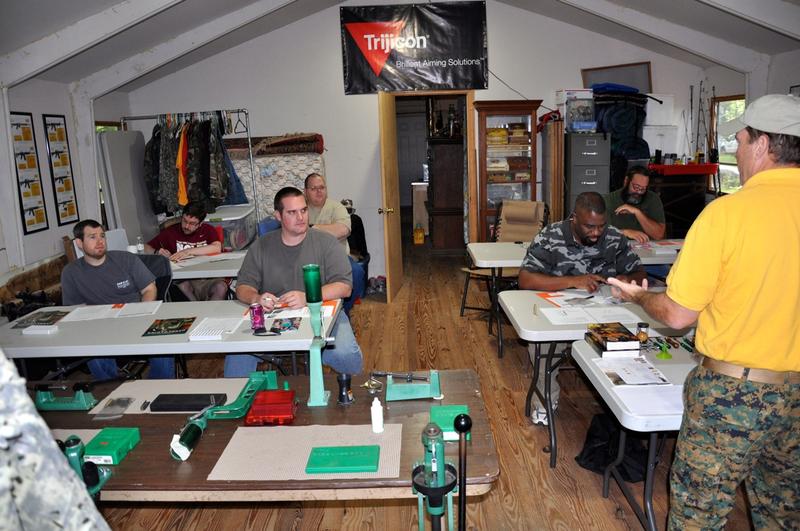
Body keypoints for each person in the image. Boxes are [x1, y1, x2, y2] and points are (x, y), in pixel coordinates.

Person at [608, 94, 800, 529]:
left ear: (763, 144)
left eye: (740, 140)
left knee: (699, 513)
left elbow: (677, 315)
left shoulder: (727, 213)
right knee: (785, 513)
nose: (736, 150)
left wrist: (638, 296)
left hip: (735, 393)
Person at [519, 191, 645, 424]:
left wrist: (626, 280)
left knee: (636, 341)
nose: (596, 233)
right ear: (574, 218)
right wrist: (573, 281)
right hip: (558, 310)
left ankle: (626, 402)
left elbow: (639, 272)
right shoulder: (551, 236)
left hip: (605, 311)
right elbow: (525, 279)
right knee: (541, 346)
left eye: (601, 226)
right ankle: (546, 400)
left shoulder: (614, 237)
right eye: (589, 226)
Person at [224, 187, 364, 377]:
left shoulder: (327, 242)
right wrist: (257, 297)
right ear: (278, 216)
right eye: (292, 212)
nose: (301, 217)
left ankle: (354, 393)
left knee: (346, 355)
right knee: (236, 357)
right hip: (273, 316)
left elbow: (344, 287)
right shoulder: (261, 246)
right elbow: (242, 287)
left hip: (323, 313)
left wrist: (308, 297)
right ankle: (239, 396)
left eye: (303, 210)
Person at [61, 219, 174, 379]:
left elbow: (149, 289)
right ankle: (111, 387)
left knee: (164, 343)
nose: (100, 242)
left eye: (102, 236)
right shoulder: (71, 272)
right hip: (100, 327)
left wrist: (142, 312)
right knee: (90, 347)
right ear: (79, 243)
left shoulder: (126, 259)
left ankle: (159, 388)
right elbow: (75, 310)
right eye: (92, 237)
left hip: (137, 319)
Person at [304, 173, 366, 313]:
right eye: (314, 188)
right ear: (306, 191)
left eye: (322, 187)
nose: (319, 191)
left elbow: (343, 230)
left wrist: (312, 228)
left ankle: (343, 310)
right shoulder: (301, 210)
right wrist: (328, 230)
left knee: (357, 273)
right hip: (309, 259)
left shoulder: (337, 207)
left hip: (338, 258)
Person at [144, 201, 228, 301]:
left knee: (221, 287)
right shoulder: (171, 232)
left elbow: (216, 247)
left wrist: (187, 252)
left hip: (208, 278)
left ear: (200, 223)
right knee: (181, 286)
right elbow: (145, 247)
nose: (187, 226)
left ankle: (210, 311)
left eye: (192, 223)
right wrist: (157, 252)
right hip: (185, 279)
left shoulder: (208, 230)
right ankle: (196, 310)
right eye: (184, 221)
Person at [603, 166, 666, 243]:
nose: (639, 192)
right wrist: (624, 232)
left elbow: (658, 235)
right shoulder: (609, 200)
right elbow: (600, 234)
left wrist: (637, 212)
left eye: (643, 188)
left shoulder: (652, 199)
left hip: (646, 247)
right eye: (636, 187)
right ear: (626, 181)